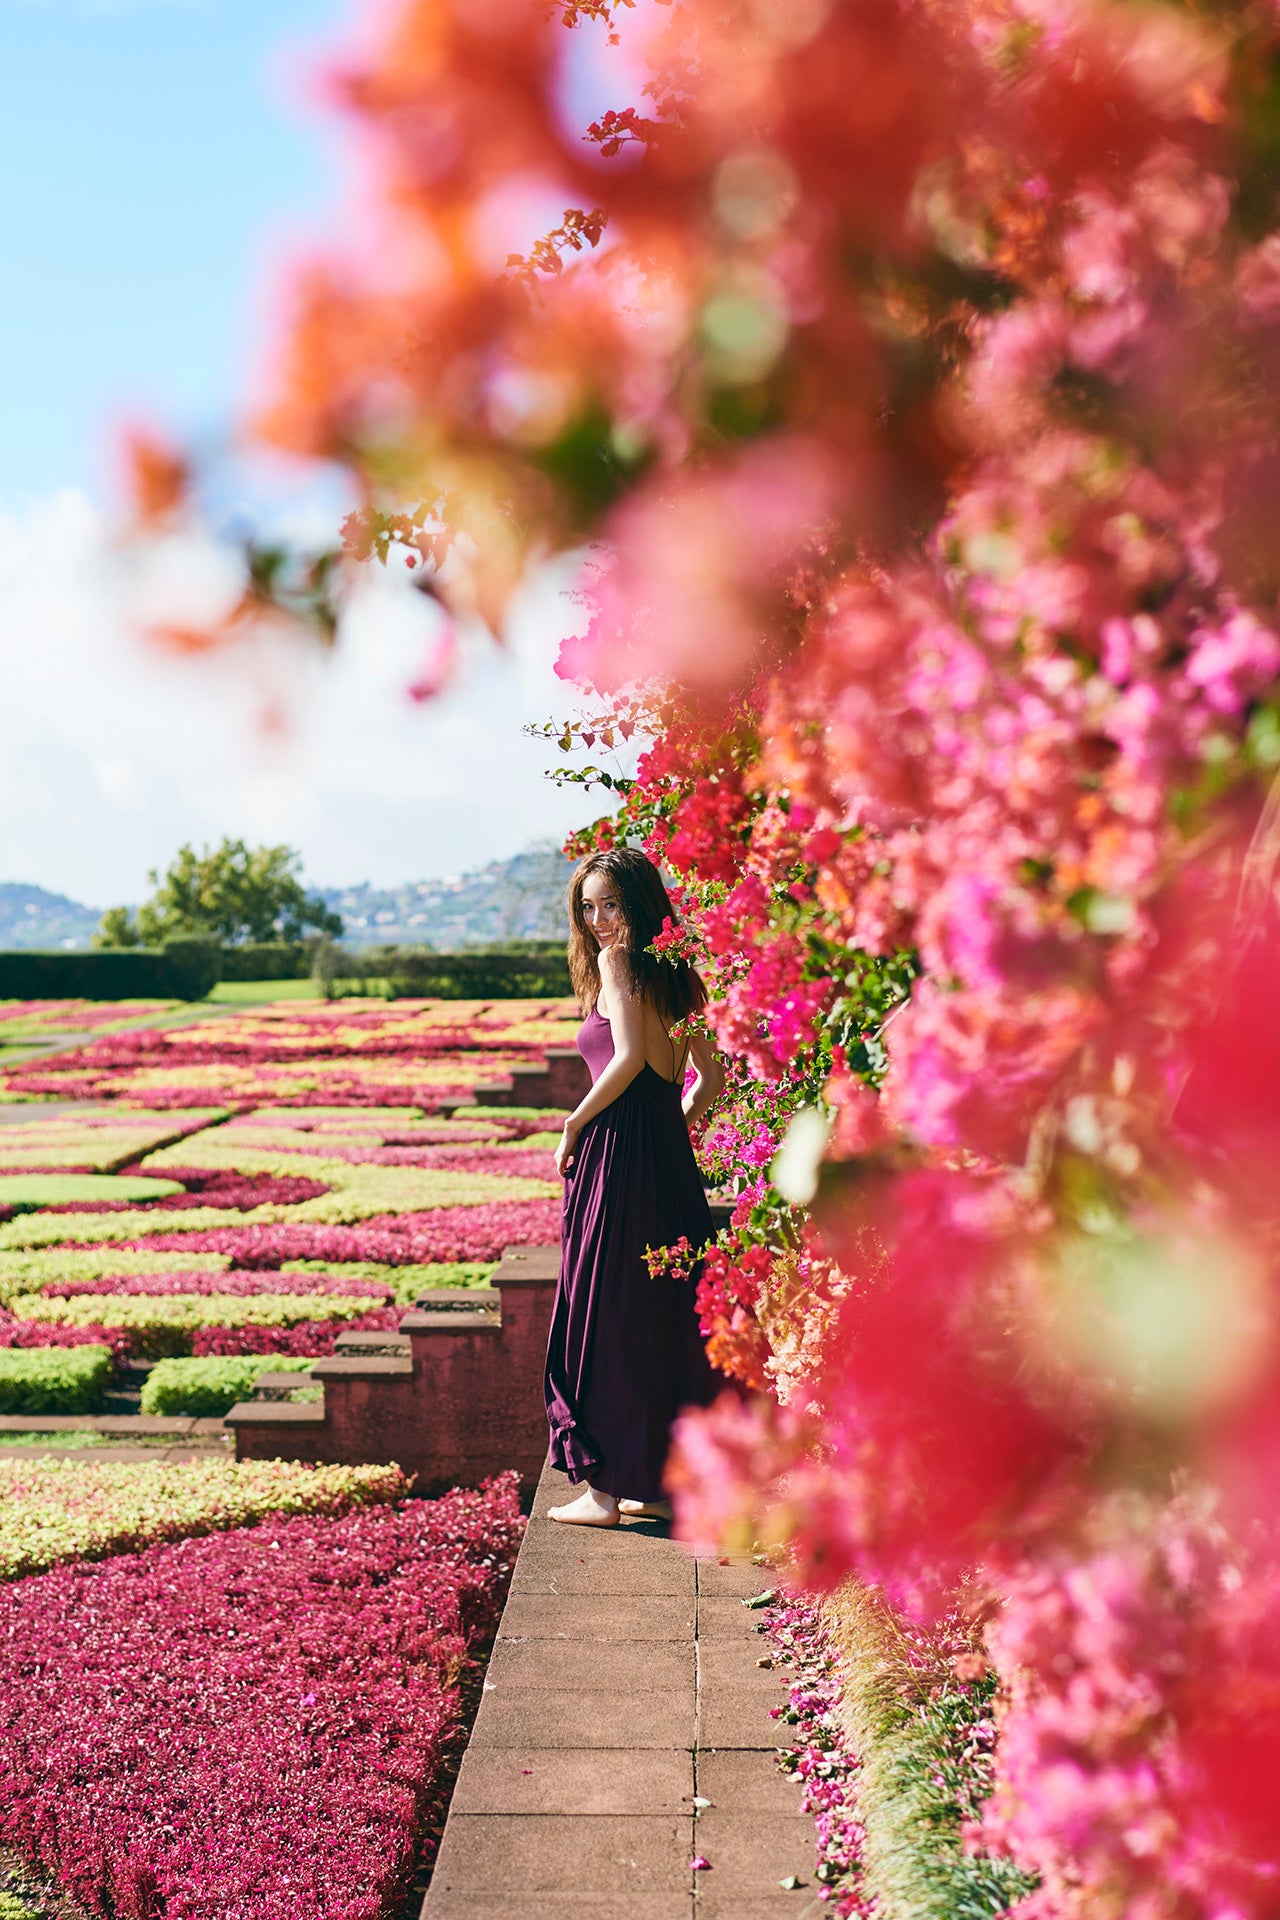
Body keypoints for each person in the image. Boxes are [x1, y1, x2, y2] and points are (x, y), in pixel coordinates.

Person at [544, 847, 726, 1527]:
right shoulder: (679, 974)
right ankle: (652, 1482)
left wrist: (572, 1125)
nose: (597, 920)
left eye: (610, 904)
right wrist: (668, 1132)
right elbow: (710, 1076)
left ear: (640, 904)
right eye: (587, 906)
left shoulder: (618, 966)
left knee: (601, 1314)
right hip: (664, 1161)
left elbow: (623, 1061)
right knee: (662, 1317)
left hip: (618, 1155)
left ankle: (602, 1493)